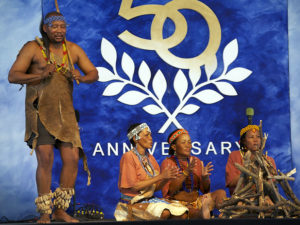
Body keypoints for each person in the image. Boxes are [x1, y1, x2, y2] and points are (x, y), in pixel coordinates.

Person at [8, 11, 99, 223]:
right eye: (54, 27)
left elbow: (93, 73)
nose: (59, 30)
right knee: (46, 159)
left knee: (71, 159)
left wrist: (82, 77)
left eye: (62, 26)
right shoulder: (32, 48)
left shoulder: (73, 50)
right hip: (40, 111)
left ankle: (60, 210)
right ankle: (45, 213)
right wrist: (40, 75)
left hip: (66, 114)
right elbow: (14, 76)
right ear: (45, 28)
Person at [114, 123, 189, 221]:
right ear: (135, 138)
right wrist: (161, 176)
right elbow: (134, 186)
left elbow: (155, 188)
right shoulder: (128, 156)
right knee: (164, 213)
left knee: (183, 213)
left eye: (150, 135)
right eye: (146, 135)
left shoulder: (150, 158)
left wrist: (166, 178)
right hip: (131, 203)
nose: (151, 138)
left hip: (148, 200)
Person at [160, 129, 226, 219]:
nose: (188, 146)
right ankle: (204, 214)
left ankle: (225, 214)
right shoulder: (168, 163)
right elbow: (169, 192)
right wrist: (185, 173)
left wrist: (204, 178)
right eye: (183, 142)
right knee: (193, 212)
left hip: (197, 201)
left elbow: (205, 190)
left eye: (189, 142)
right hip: (178, 204)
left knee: (220, 193)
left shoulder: (196, 161)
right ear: (174, 147)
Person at [225, 125, 277, 196]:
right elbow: (231, 182)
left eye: (258, 137)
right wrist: (249, 172)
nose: (255, 140)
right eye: (251, 137)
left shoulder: (269, 160)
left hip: (263, 197)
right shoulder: (234, 156)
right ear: (244, 141)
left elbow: (272, 184)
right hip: (241, 197)